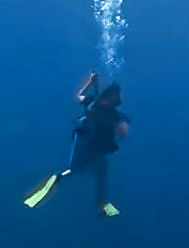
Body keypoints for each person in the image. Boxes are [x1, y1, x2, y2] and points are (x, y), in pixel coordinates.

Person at [22, 71, 130, 217]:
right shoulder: (108, 111)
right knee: (88, 171)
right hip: (90, 145)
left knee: (92, 169)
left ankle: (96, 199)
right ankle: (98, 201)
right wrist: (122, 130)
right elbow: (123, 130)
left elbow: (79, 96)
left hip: (88, 144)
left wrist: (90, 83)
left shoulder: (94, 103)